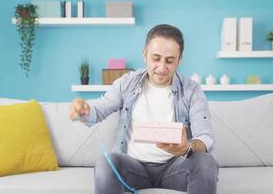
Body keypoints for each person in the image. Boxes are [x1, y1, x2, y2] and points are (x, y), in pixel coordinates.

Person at [69, 24, 218, 194]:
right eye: (156, 58)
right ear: (144, 54)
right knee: (105, 163)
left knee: (206, 162)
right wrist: (83, 108)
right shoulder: (127, 83)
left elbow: (206, 138)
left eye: (169, 60)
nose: (162, 68)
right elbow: (98, 110)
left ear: (179, 60)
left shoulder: (192, 90)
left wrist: (186, 147)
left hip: (175, 169)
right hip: (133, 169)